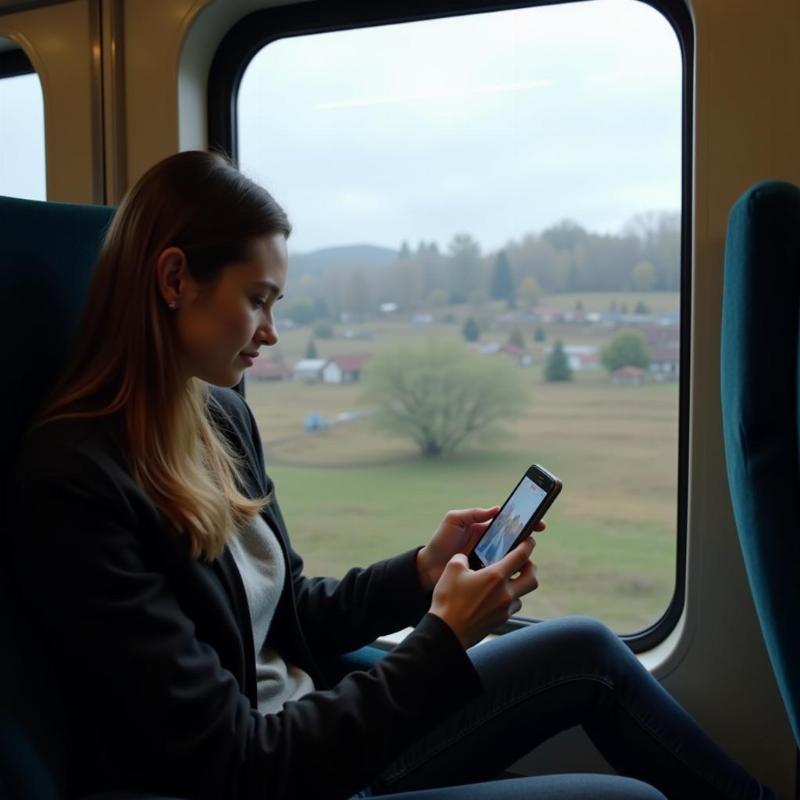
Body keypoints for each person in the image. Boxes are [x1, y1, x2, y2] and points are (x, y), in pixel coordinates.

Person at [8, 151, 775, 800]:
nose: (272, 333)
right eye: (258, 300)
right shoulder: (75, 483)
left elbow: (289, 621)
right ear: (175, 279)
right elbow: (231, 759)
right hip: (276, 776)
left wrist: (420, 571)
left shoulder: (218, 418)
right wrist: (440, 640)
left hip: (319, 730)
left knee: (586, 648)